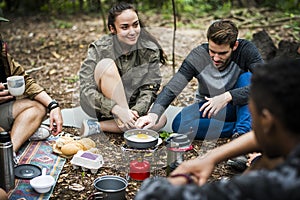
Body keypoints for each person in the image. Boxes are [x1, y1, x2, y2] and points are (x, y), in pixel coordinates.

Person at [135, 58, 300, 199]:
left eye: (252, 115)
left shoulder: (275, 184)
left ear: (267, 121)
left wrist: (178, 179)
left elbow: (151, 195)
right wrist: (211, 157)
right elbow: (261, 135)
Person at [136, 19, 263, 140]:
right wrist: (153, 115)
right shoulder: (198, 57)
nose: (216, 58)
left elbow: (266, 83)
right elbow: (173, 87)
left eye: (222, 53)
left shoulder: (246, 50)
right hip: (210, 107)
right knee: (180, 124)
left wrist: (227, 96)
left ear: (234, 46)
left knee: (248, 77)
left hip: (241, 104)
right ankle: (244, 127)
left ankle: (241, 133)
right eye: (212, 51)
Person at [79, 2, 167, 135]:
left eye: (136, 25)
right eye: (125, 27)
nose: (132, 31)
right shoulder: (99, 48)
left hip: (133, 108)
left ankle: (99, 126)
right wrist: (117, 109)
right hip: (102, 107)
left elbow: (150, 88)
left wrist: (137, 111)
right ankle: (126, 122)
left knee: (161, 119)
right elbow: (86, 89)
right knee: (105, 65)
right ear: (112, 29)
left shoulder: (149, 50)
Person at [0, 16, 63, 156]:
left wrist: (53, 106)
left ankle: (8, 154)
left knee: (38, 107)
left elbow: (25, 80)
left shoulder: (2, 55)